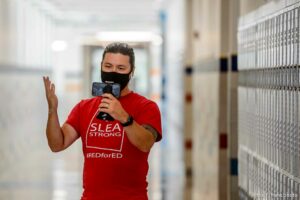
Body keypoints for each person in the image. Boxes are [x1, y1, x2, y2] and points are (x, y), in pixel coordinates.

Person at [43, 42, 162, 200]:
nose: (113, 72)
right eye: (108, 66)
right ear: (100, 67)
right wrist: (52, 110)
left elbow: (145, 143)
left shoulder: (147, 107)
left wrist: (124, 117)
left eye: (121, 68)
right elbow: (57, 144)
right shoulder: (84, 107)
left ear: (131, 71)